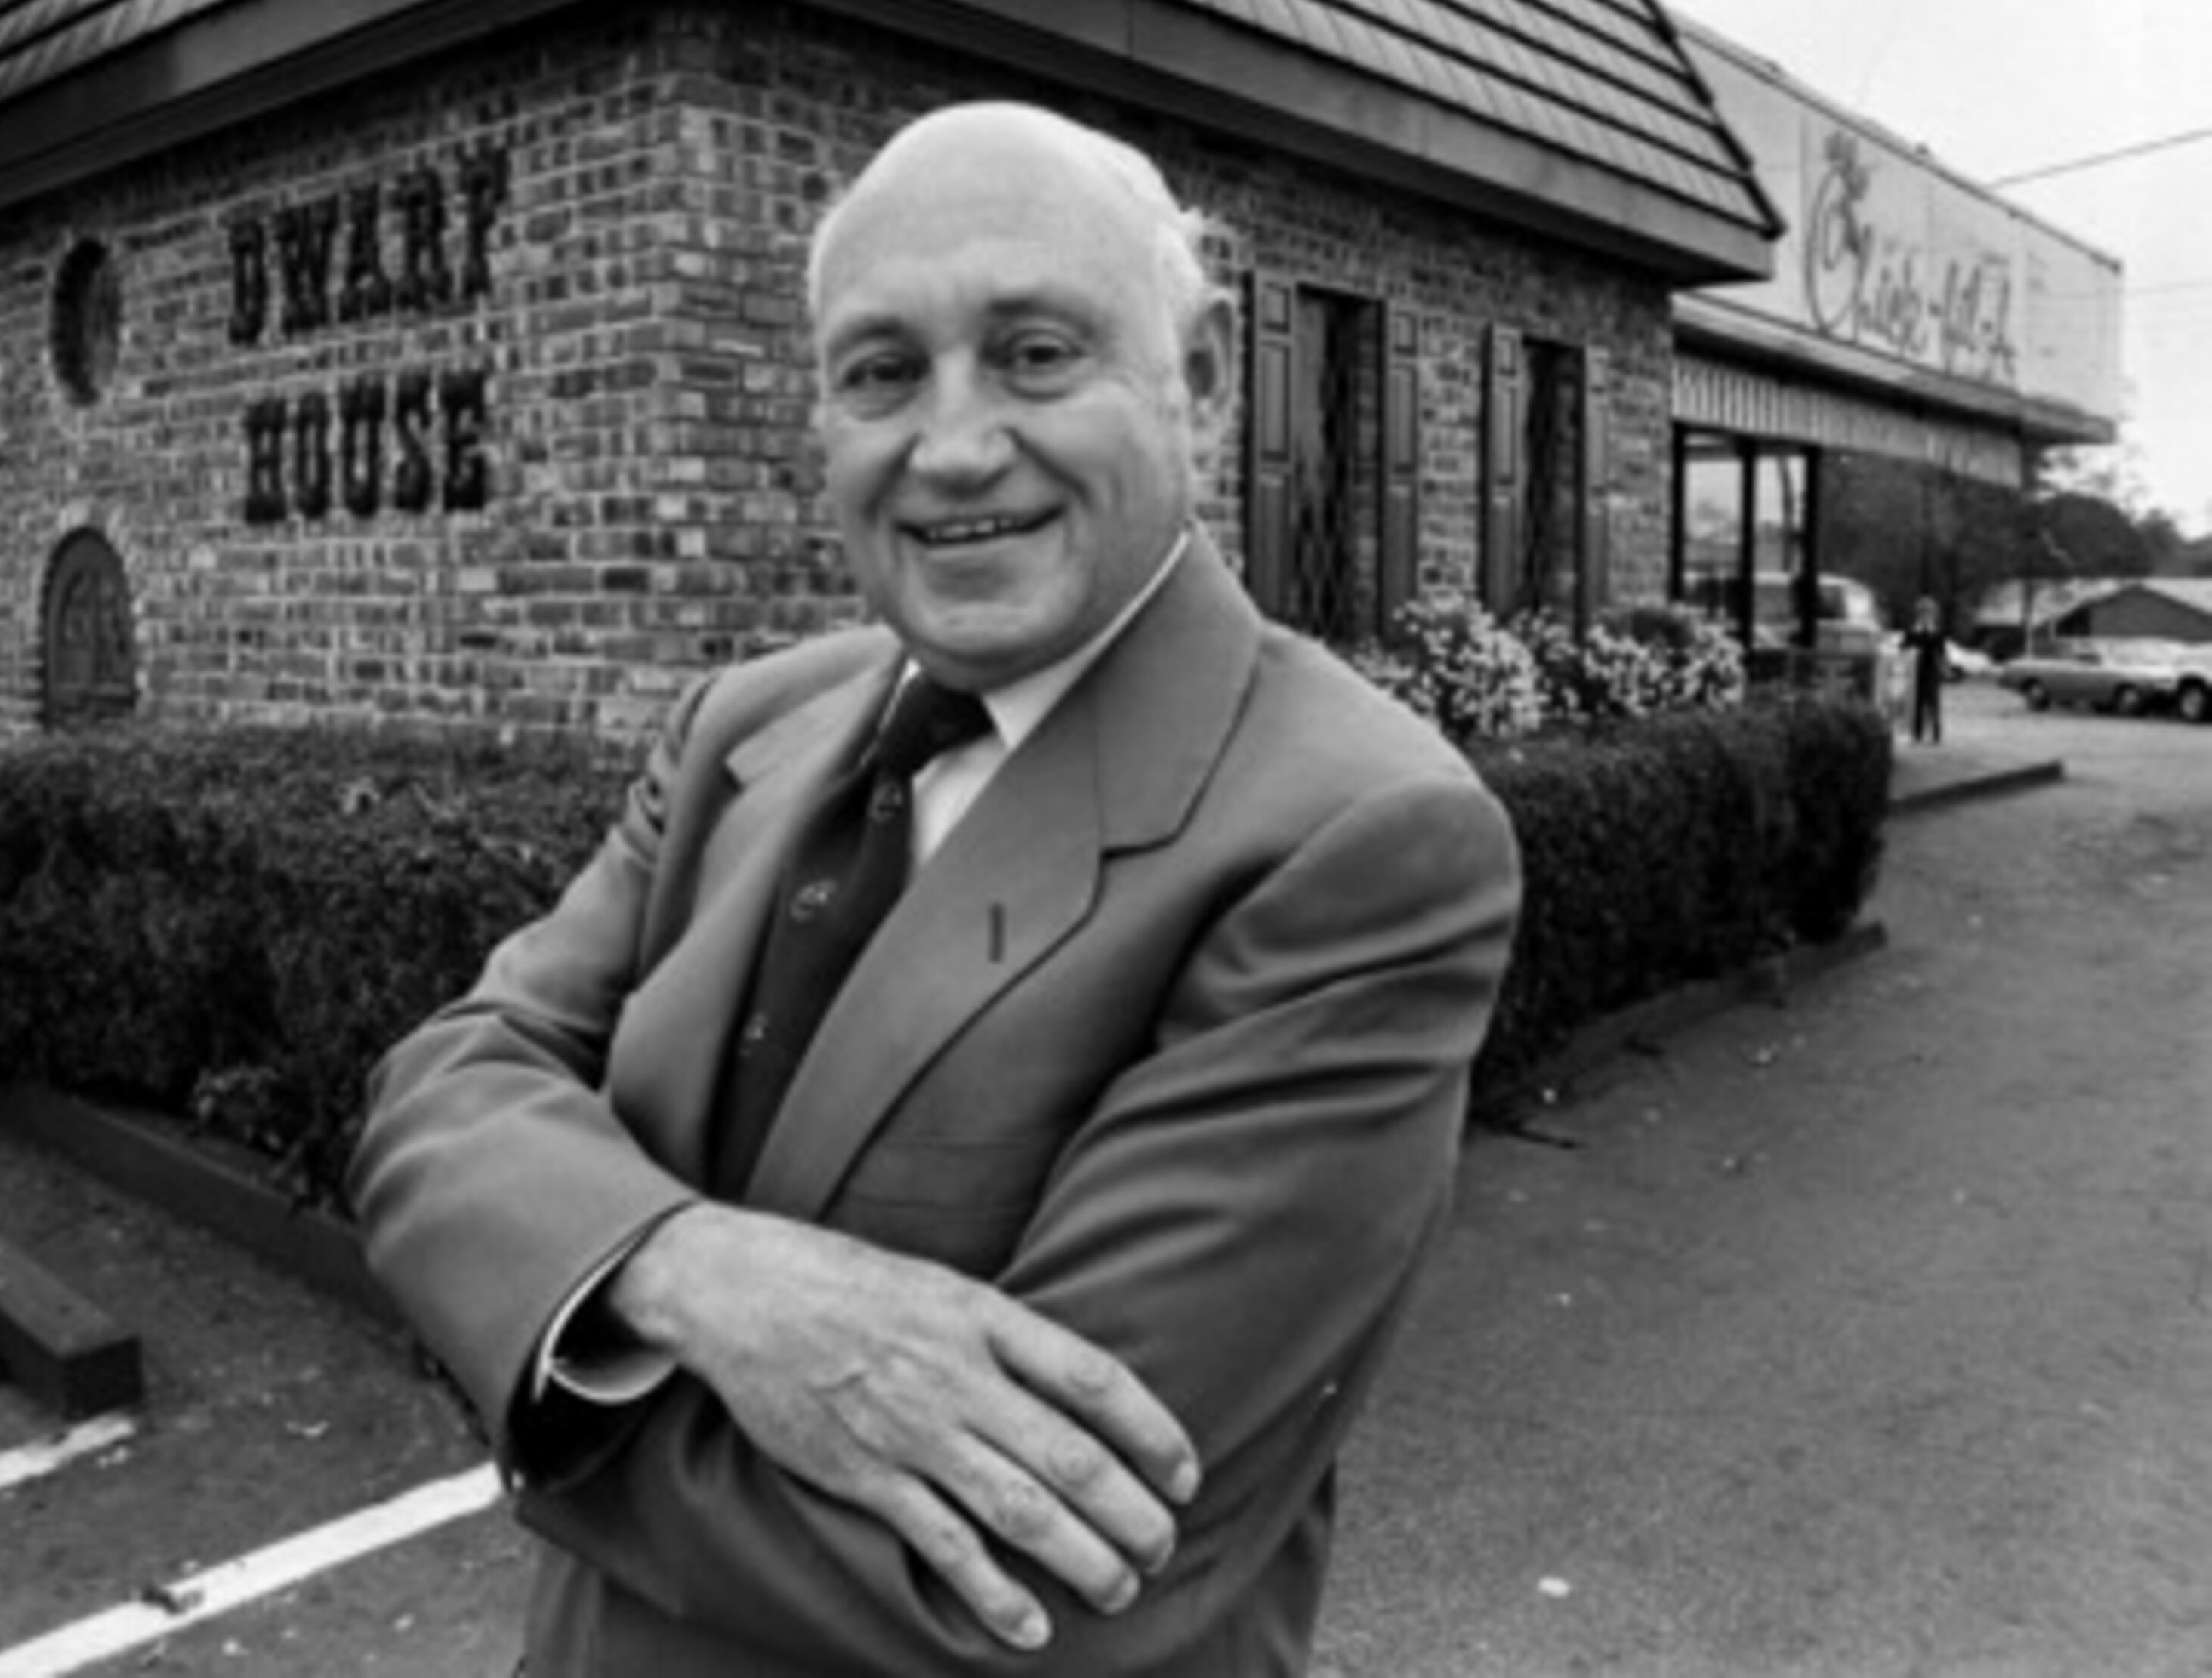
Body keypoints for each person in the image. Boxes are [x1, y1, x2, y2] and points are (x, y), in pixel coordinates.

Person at [350, 102, 1523, 1675]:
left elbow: (1021, 1587)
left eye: (1037, 353)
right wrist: (691, 1272)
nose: (955, 446)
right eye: (883, 370)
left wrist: (542, 1352)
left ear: (1204, 376)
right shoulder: (743, 726)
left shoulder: (1363, 841)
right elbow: (441, 1085)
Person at [1901, 597, 1947, 744]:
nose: (1926, 616)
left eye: (1929, 613)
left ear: (1933, 614)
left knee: (1933, 702)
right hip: (1916, 670)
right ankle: (1917, 733)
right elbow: (1903, 647)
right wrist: (1913, 642)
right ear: (1919, 614)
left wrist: (1944, 666)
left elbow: (1941, 651)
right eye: (1923, 613)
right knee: (1917, 702)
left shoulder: (1937, 631)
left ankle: (1936, 734)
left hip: (1932, 670)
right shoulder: (1912, 630)